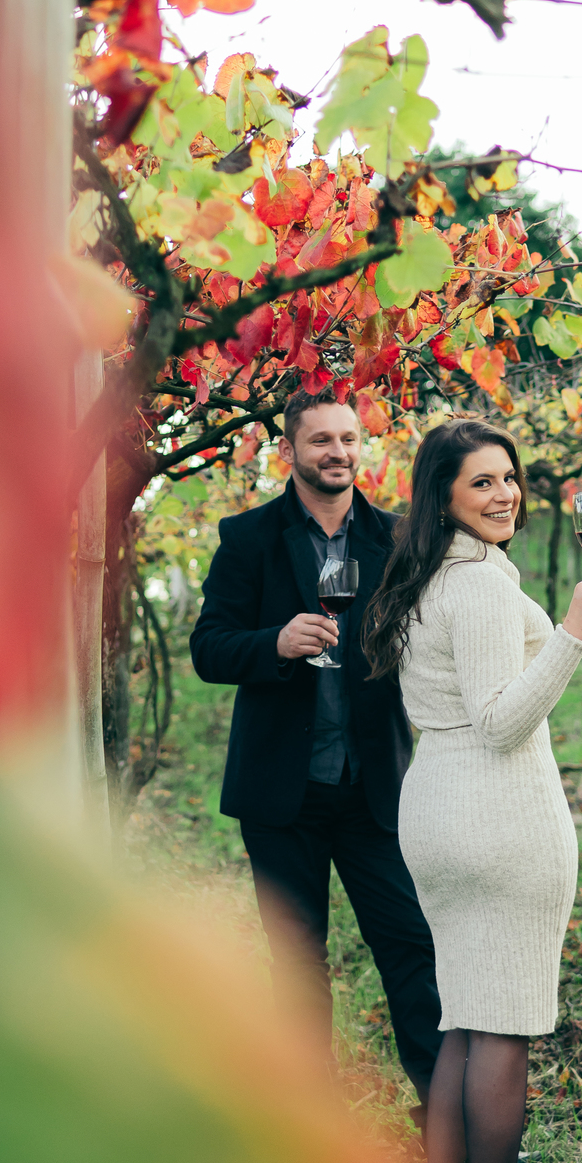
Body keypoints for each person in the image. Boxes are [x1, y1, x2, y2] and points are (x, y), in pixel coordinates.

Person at [362, 417, 582, 1163]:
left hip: (440, 811)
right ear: (443, 496)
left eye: (509, 477)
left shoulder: (436, 575)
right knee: (501, 1026)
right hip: (496, 818)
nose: (504, 493)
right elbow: (503, 720)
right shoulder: (473, 586)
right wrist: (575, 630)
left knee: (464, 1022)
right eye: (481, 481)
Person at [189, 387, 442, 1119]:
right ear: (288, 451)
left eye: (349, 438)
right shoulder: (249, 539)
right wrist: (274, 642)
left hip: (375, 790)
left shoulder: (398, 539)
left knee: (410, 947)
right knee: (298, 964)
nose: (338, 452)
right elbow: (208, 648)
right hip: (281, 794)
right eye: (321, 440)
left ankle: (445, 1117)